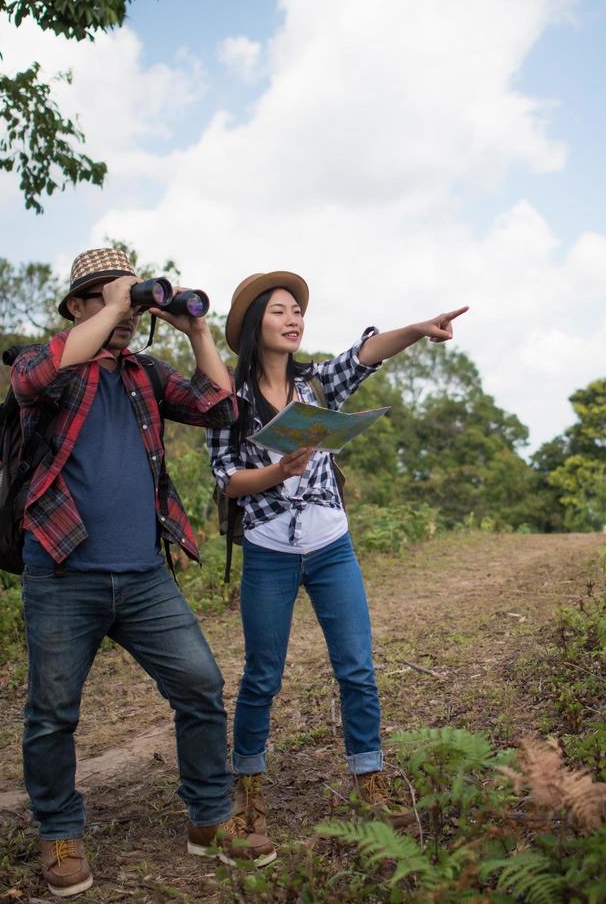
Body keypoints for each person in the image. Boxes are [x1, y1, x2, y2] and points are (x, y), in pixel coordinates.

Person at [11, 248, 274, 899]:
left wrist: (196, 330)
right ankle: (60, 832)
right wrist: (124, 300)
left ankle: (210, 819)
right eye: (106, 295)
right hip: (63, 571)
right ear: (78, 307)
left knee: (200, 684)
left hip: (143, 575)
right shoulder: (49, 367)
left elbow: (221, 409)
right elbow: (33, 378)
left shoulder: (142, 375)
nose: (125, 310)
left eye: (132, 297)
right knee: (52, 714)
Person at [206, 270, 468, 842]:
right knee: (261, 678)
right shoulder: (229, 398)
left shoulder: (316, 385)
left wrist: (417, 331)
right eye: (280, 310)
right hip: (269, 550)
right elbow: (226, 480)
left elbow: (364, 355)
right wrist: (277, 471)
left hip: (330, 546)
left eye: (297, 310)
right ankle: (250, 794)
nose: (294, 318)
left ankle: (370, 780)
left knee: (357, 666)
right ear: (256, 324)